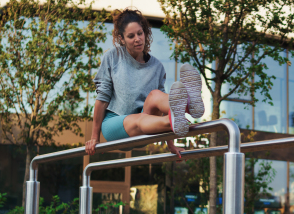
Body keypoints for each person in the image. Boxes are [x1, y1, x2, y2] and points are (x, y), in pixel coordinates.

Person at [84, 8, 205, 159]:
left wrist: (171, 145)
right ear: (122, 39)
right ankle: (172, 120)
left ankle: (189, 103)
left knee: (156, 95)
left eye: (140, 33)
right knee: (141, 117)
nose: (137, 39)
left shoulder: (156, 67)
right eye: (131, 36)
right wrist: (95, 137)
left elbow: (162, 107)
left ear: (145, 33)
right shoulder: (113, 57)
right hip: (114, 125)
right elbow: (102, 100)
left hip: (146, 124)